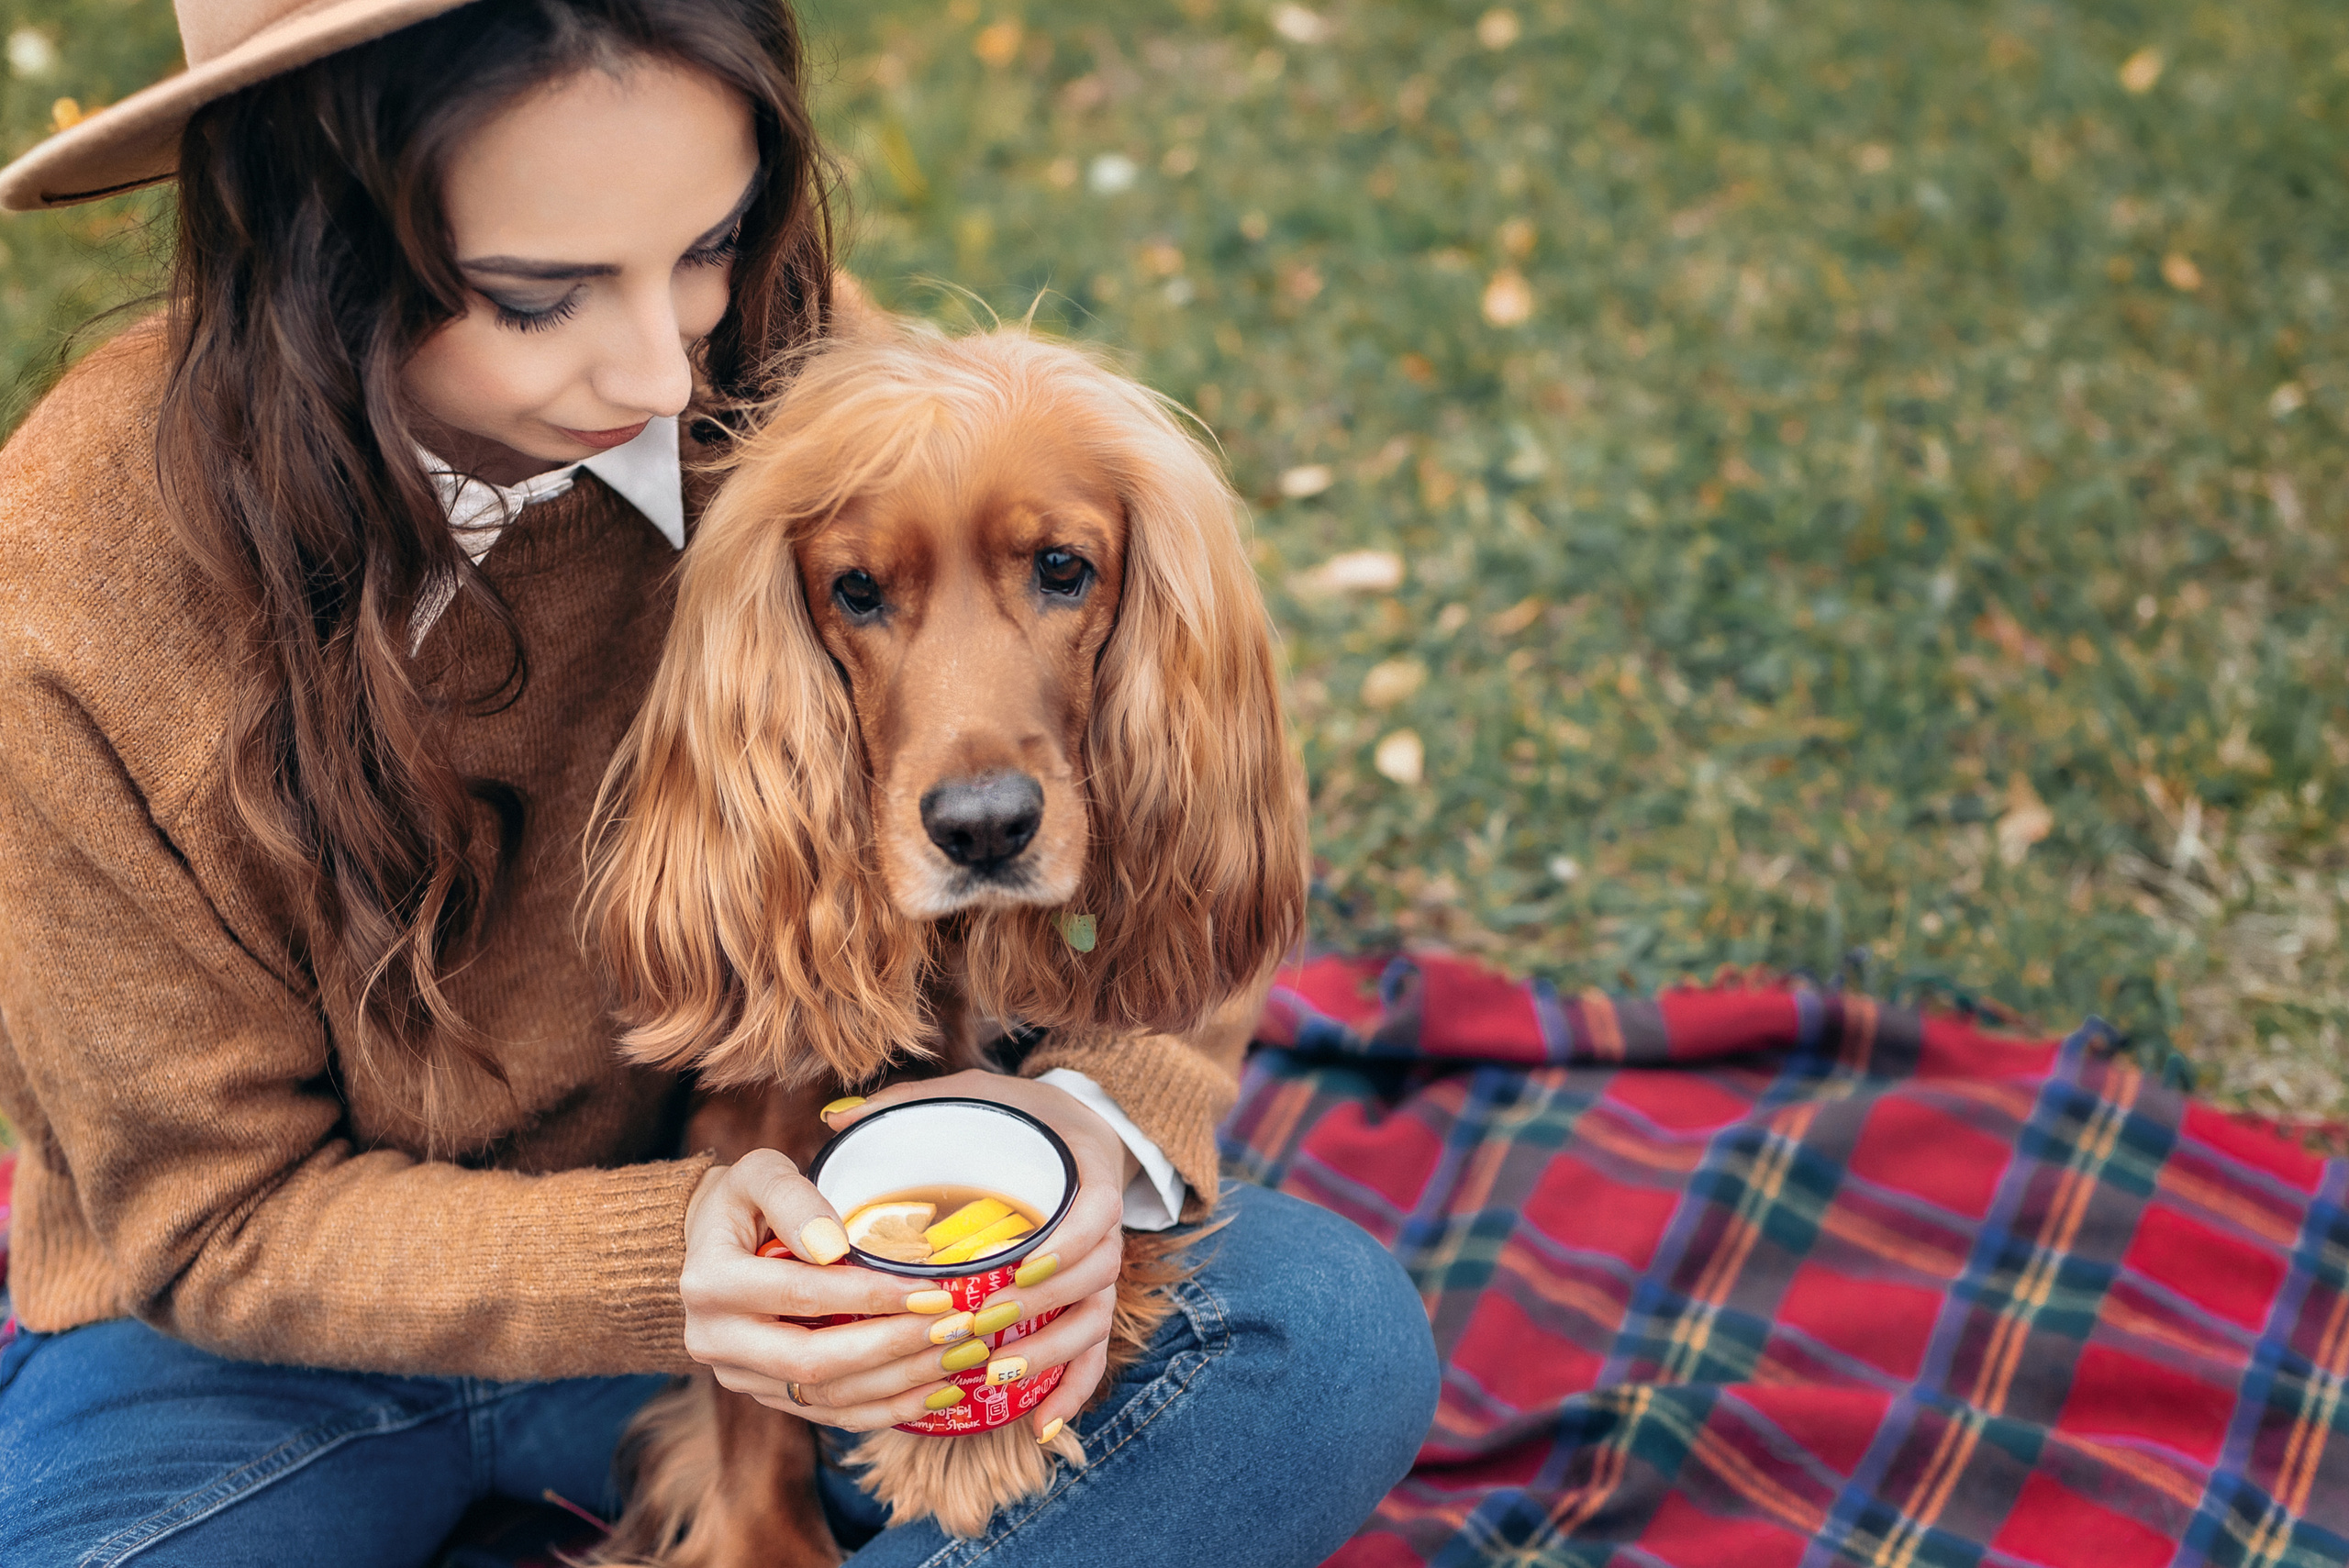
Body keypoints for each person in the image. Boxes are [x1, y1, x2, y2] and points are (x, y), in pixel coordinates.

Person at [0, 0, 1437, 1562]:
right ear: (316, 240)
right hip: (258, 1357)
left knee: (1321, 1340)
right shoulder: (69, 578)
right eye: (539, 296)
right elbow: (209, 1220)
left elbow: (1158, 836)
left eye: (708, 243)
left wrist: (1098, 1121)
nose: (664, 368)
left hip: (833, 1263)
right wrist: (665, 1263)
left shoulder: (824, 399)